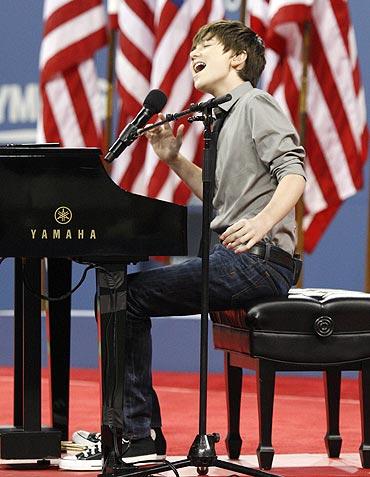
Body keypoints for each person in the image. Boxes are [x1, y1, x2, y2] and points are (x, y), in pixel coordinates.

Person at [59, 19, 306, 471]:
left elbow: (294, 172)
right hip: (234, 258)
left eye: (205, 45)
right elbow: (218, 200)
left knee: (127, 297)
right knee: (122, 293)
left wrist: (261, 223)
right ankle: (134, 431)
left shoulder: (256, 104)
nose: (194, 52)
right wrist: (174, 160)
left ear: (237, 58)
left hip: (260, 263)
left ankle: (136, 435)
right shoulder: (220, 116)